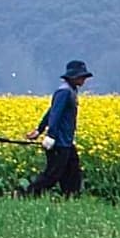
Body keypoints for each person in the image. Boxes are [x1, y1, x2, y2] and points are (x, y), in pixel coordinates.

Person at [25, 61, 91, 194]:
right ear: (73, 77)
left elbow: (51, 111)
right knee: (52, 175)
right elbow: (55, 114)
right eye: (81, 77)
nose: (83, 79)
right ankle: (27, 194)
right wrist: (50, 136)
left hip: (66, 141)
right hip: (59, 142)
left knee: (73, 172)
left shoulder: (71, 91)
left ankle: (71, 198)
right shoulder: (64, 92)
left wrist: (39, 130)